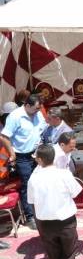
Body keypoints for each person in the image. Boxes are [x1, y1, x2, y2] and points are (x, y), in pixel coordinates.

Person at [27, 144, 81, 259]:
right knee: (68, 255)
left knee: (53, 256)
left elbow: (31, 202)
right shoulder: (64, 174)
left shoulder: (33, 179)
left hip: (46, 224)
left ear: (39, 159)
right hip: (66, 222)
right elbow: (76, 192)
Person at [0, 94, 47, 229]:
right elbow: (4, 137)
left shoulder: (37, 113)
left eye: (39, 108)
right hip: (22, 157)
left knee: (39, 182)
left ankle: (41, 210)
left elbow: (42, 128)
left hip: (36, 154)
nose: (38, 111)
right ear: (27, 105)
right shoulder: (15, 116)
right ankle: (30, 217)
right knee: (27, 185)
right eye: (36, 108)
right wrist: (12, 153)